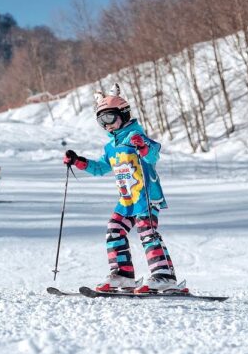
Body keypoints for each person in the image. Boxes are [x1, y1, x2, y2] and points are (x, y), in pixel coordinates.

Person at [63, 84, 178, 293]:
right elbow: (99, 168)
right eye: (101, 121)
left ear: (124, 115)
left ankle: (164, 276)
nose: (106, 125)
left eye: (109, 118)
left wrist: (142, 146)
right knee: (114, 231)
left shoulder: (136, 136)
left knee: (147, 232)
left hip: (145, 196)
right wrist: (78, 161)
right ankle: (123, 274)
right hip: (127, 200)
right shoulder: (111, 146)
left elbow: (153, 156)